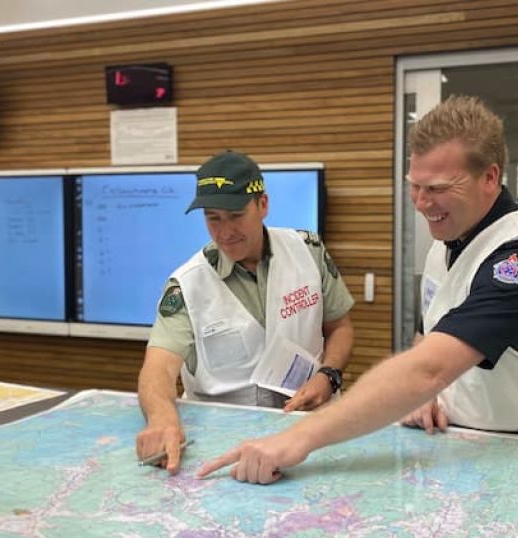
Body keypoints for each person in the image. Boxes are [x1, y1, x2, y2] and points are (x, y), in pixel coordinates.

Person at [196, 96, 518, 485]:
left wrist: (295, 439)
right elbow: (430, 340)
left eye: (440, 188)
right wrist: (429, 397)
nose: (423, 203)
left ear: (490, 176)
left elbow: (428, 368)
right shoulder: (447, 245)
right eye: (416, 186)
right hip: (472, 445)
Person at [135, 151, 355, 473]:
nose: (224, 232)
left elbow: (340, 328)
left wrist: (329, 375)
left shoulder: (307, 251)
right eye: (213, 218)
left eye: (235, 215)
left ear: (262, 205)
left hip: (306, 431)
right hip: (225, 447)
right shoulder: (187, 285)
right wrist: (161, 418)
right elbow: (158, 369)